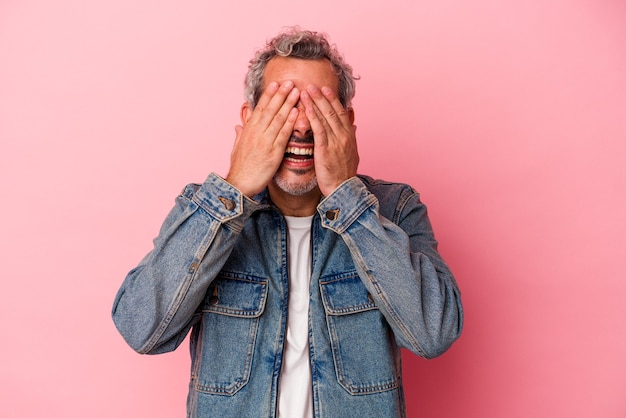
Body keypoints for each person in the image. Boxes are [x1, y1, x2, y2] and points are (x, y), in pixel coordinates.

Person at [112, 27, 463, 418]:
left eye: (318, 106)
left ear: (346, 123)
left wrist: (347, 197)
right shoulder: (203, 211)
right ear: (249, 120)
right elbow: (142, 329)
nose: (300, 126)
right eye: (283, 105)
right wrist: (235, 188)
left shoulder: (395, 208)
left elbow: (434, 333)